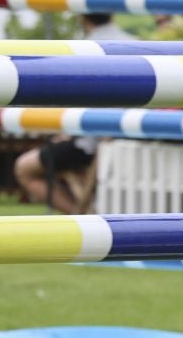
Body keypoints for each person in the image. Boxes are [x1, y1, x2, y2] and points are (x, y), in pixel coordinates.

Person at [14, 13, 129, 211]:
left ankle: (82, 216)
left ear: (82, 17)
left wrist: (67, 130)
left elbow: (78, 98)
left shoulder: (82, 49)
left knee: (25, 168)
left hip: (91, 143)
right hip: (128, 139)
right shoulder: (132, 42)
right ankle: (87, 213)